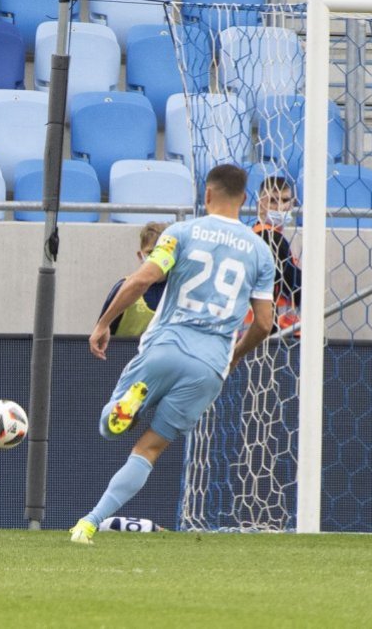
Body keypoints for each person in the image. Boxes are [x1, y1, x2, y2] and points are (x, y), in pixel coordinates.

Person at [70, 164, 276, 544]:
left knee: (107, 427)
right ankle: (90, 522)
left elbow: (143, 279)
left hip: (166, 344)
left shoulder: (180, 233)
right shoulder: (262, 252)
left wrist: (103, 324)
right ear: (245, 200)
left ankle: (127, 406)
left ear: (207, 195)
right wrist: (233, 357)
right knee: (149, 448)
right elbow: (264, 323)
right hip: (210, 365)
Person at [100, 222, 170, 337]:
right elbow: (101, 334)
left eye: (161, 252)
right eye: (151, 252)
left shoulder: (179, 290)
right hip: (124, 354)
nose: (157, 258)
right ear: (140, 256)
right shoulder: (123, 289)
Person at [253, 175, 302, 331]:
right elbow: (297, 289)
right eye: (273, 201)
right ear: (260, 205)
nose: (280, 207)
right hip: (275, 333)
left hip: (274, 330)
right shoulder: (269, 238)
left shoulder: (263, 236)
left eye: (285, 200)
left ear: (293, 204)